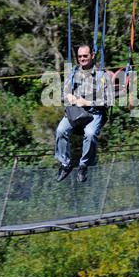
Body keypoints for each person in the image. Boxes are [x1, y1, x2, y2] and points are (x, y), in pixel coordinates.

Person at [55, 43, 113, 183]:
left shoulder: (102, 75)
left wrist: (88, 103)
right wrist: (69, 97)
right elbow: (64, 93)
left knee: (90, 133)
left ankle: (83, 164)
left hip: (94, 113)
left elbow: (109, 100)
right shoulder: (73, 72)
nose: (82, 59)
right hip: (75, 112)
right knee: (60, 130)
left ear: (92, 56)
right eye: (80, 56)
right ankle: (65, 163)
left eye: (85, 56)